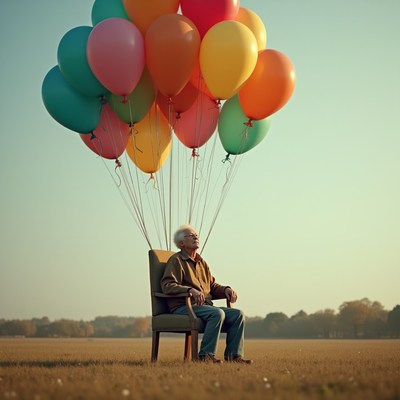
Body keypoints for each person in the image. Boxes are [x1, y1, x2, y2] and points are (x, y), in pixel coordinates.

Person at [160, 225, 253, 364]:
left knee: (238, 314)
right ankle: (205, 356)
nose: (195, 237)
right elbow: (167, 286)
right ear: (181, 243)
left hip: (204, 306)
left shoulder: (201, 262)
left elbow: (212, 286)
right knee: (217, 313)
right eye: (190, 235)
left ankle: (234, 357)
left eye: (196, 235)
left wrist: (226, 289)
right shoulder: (176, 261)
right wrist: (189, 290)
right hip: (184, 307)